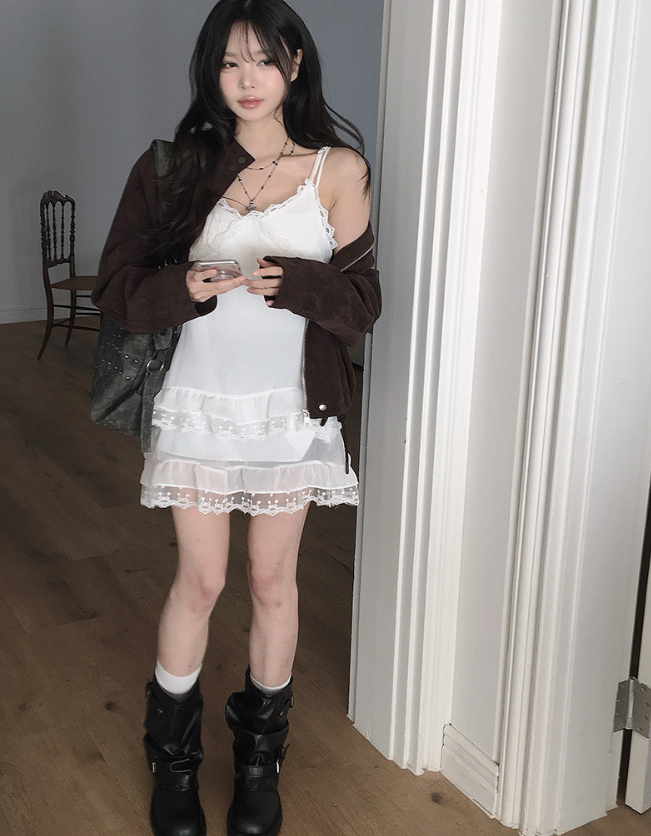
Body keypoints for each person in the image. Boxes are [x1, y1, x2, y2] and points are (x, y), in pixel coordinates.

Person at [92, 1, 380, 834]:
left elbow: (362, 306)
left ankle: (259, 760)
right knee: (203, 580)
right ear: (210, 72)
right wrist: (182, 287)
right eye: (228, 62)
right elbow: (116, 288)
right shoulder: (176, 167)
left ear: (294, 62)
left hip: (292, 411)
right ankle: (173, 758)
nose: (246, 79)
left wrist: (300, 280)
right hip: (198, 403)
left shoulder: (339, 170)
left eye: (262, 59)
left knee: (270, 581)